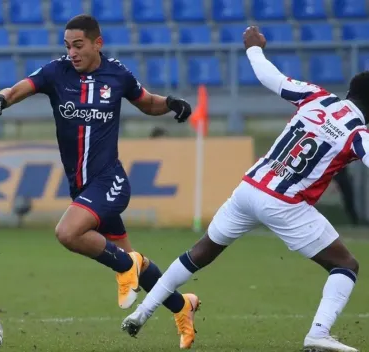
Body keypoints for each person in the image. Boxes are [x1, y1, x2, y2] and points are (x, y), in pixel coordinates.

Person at [121, 26, 363, 352]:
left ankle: (142, 311)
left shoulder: (317, 97)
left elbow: (271, 77)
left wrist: (253, 49)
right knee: (346, 266)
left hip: (250, 188)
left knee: (202, 251)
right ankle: (319, 332)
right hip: (286, 202)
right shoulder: (357, 132)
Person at [0, 14, 200, 348]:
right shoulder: (56, 72)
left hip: (109, 181)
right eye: (68, 46)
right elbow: (17, 89)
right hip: (82, 187)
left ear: (97, 43)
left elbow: (147, 103)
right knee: (138, 269)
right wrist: (2, 99)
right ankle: (183, 306)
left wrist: (171, 103)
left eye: (79, 45)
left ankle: (127, 265)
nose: (72, 52)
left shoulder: (118, 74)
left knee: (68, 232)